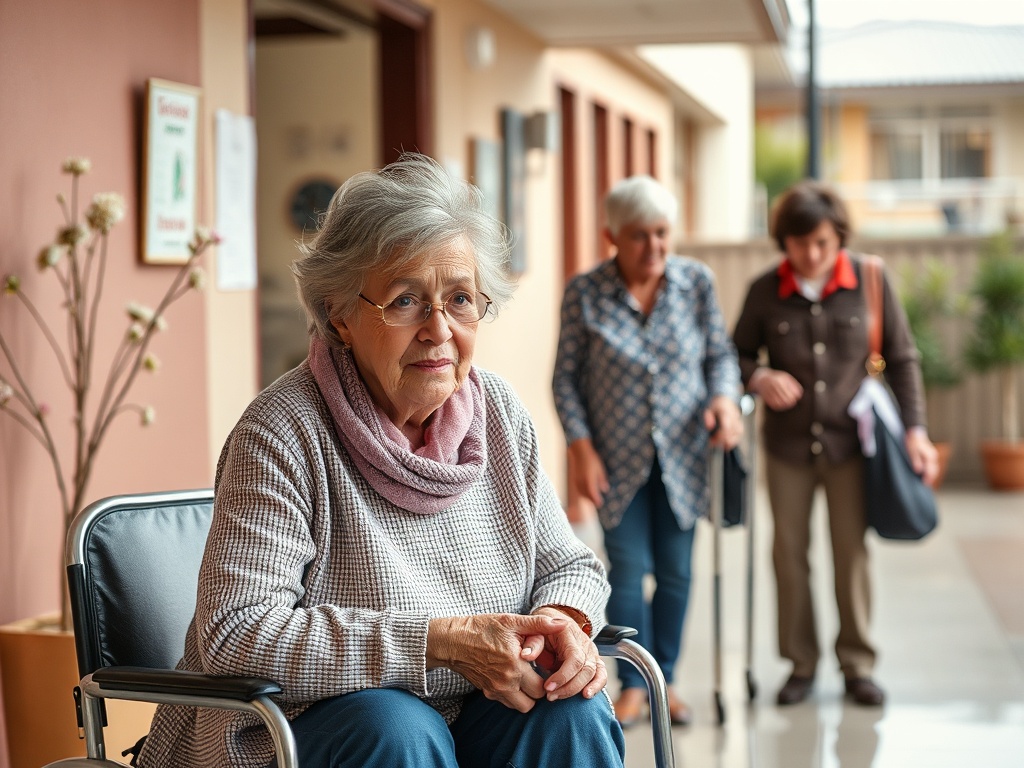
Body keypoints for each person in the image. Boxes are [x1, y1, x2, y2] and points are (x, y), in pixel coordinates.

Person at [138, 153, 624, 768]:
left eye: (461, 299)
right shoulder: (283, 433)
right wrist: (436, 643)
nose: (439, 329)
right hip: (298, 731)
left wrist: (562, 621)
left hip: (466, 720)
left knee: (570, 710)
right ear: (341, 315)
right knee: (396, 727)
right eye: (403, 301)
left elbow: (569, 562)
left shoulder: (497, 411)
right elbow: (238, 634)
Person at [731, 180, 939, 708]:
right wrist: (758, 378)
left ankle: (858, 666)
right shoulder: (763, 290)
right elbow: (733, 355)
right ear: (785, 242)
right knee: (789, 555)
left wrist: (916, 431)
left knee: (851, 554)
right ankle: (800, 666)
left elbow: (903, 357)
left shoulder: (870, 280)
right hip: (787, 450)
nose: (813, 254)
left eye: (823, 242)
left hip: (853, 447)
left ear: (838, 236)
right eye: (801, 244)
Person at [552, 175, 742, 728]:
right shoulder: (585, 292)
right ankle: (637, 683)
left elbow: (720, 357)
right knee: (629, 570)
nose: (655, 247)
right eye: (640, 236)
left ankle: (670, 678)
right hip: (617, 460)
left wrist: (725, 401)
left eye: (663, 233)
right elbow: (566, 379)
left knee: (678, 572)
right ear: (612, 235)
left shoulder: (695, 283)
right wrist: (581, 450)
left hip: (686, 455)